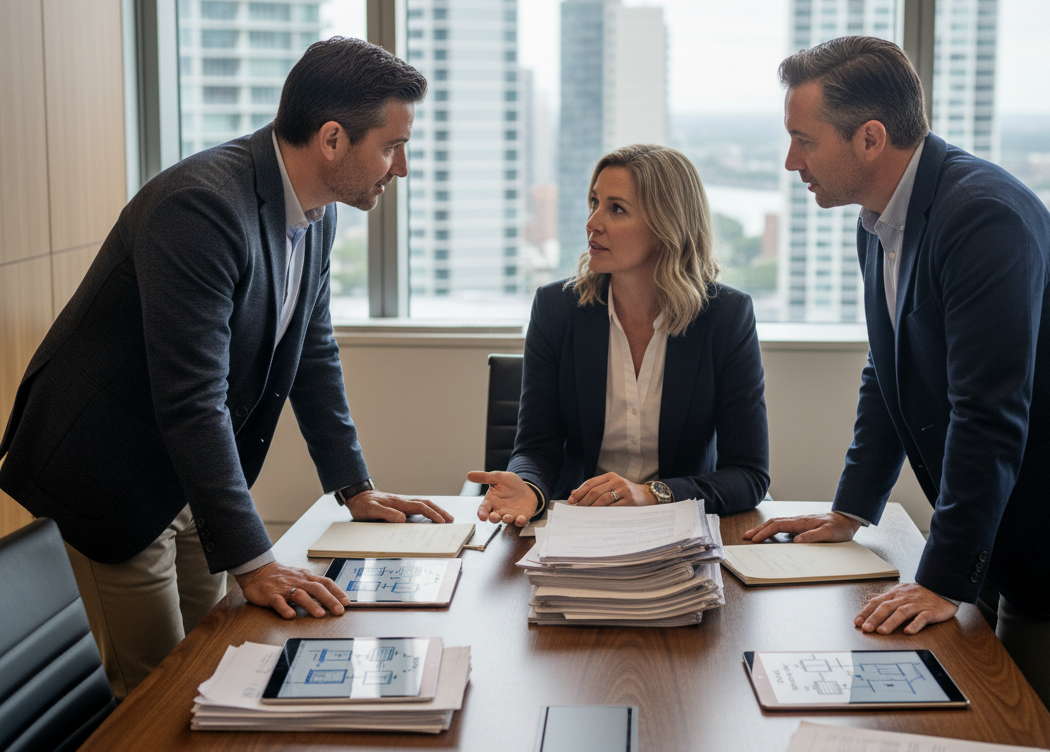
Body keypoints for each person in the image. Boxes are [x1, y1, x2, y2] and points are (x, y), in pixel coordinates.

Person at [744, 36, 1050, 722]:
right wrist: (850, 509)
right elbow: (888, 372)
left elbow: (989, 410)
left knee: (1020, 724)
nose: (790, 161)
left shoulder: (981, 216)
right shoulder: (879, 219)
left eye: (803, 139)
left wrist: (942, 579)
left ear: (870, 138)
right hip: (1001, 505)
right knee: (966, 689)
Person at [0, 36, 454, 699]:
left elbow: (313, 354)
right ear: (332, 139)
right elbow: (192, 399)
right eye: (391, 146)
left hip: (188, 471)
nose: (402, 168)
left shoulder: (317, 213)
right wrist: (256, 560)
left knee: (217, 661)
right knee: (158, 695)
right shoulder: (202, 208)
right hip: (108, 472)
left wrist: (353, 484)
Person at [468, 144, 770, 524]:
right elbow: (536, 448)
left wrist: (652, 494)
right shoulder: (556, 309)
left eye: (616, 209)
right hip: (581, 523)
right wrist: (530, 487)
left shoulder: (726, 317)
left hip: (679, 526)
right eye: (594, 202)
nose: (592, 222)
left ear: (666, 226)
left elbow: (748, 475)